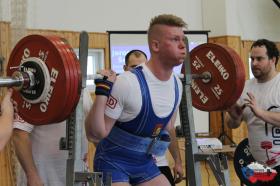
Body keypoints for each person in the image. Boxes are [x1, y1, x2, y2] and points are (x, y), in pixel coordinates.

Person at [86, 14, 186, 186]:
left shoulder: (177, 85)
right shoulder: (128, 83)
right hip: (113, 162)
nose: (183, 45)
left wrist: (177, 160)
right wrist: (102, 93)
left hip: (144, 162)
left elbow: (168, 128)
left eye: (183, 39)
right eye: (175, 39)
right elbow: (94, 134)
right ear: (155, 45)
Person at [124, 49, 183, 186]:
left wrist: (178, 162)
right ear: (125, 68)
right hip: (127, 166)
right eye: (134, 67)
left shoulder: (162, 94)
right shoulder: (120, 90)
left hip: (158, 164)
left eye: (142, 66)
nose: (139, 70)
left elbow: (169, 129)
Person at [226, 39, 280, 185]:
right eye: (252, 59)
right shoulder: (245, 87)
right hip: (257, 166)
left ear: (273, 60)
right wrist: (234, 117)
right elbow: (232, 125)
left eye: (260, 59)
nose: (254, 63)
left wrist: (260, 113)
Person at [13, 88, 93, 186]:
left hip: (78, 177)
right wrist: (32, 176)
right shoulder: (34, 88)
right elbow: (19, 134)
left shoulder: (83, 89)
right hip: (43, 179)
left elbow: (93, 132)